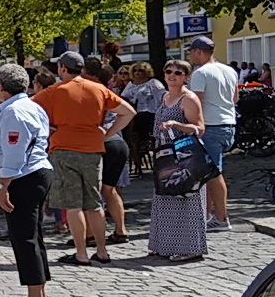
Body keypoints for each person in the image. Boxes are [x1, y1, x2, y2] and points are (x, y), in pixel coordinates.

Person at [36, 51, 135, 265]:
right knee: (93, 202)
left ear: (62, 68)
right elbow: (128, 112)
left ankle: (81, 253)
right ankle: (102, 251)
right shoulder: (98, 89)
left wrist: (50, 128)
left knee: (73, 205)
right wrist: (107, 133)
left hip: (63, 149)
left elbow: (29, 110)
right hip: (93, 150)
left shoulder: (54, 91)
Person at [0, 66, 52, 297]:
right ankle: (38, 294)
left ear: (1, 87)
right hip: (36, 172)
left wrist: (3, 185)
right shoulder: (33, 106)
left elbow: (15, 152)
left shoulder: (14, 112)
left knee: (24, 238)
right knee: (33, 237)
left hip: (22, 176)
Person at [148, 60, 208, 262]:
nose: (172, 76)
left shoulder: (189, 99)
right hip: (165, 152)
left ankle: (192, 247)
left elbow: (200, 128)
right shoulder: (165, 96)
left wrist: (178, 124)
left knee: (186, 196)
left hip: (184, 154)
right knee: (165, 195)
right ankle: (163, 244)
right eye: (168, 72)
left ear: (186, 76)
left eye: (178, 73)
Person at [185, 37, 238, 230]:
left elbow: (195, 102)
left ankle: (222, 219)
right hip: (229, 124)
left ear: (199, 51)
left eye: (191, 52)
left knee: (214, 174)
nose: (191, 56)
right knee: (209, 174)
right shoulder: (229, 70)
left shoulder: (201, 72)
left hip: (210, 126)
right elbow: (235, 98)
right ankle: (206, 215)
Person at [85, 57, 132, 244]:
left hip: (102, 143)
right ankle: (121, 230)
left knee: (91, 191)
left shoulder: (94, 94)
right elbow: (127, 112)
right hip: (118, 143)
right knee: (109, 190)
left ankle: (91, 235)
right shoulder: (111, 94)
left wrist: (104, 134)